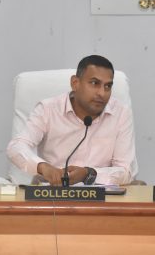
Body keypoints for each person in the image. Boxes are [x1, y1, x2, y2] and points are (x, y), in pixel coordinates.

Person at [7, 55, 138, 186]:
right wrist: (42, 167)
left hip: (100, 194)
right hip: (53, 191)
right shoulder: (48, 109)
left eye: (108, 86)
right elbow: (16, 147)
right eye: (94, 83)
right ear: (75, 83)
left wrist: (89, 174)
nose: (102, 93)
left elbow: (125, 171)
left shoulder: (121, 113)